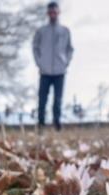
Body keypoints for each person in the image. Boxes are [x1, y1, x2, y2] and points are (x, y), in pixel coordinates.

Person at [32, 2, 74, 133]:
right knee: (42, 99)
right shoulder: (41, 31)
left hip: (59, 71)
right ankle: (41, 125)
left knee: (57, 100)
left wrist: (65, 62)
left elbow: (70, 49)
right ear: (47, 13)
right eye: (50, 12)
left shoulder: (65, 31)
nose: (52, 14)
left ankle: (57, 125)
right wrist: (40, 62)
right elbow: (35, 47)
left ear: (58, 12)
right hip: (45, 71)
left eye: (55, 12)